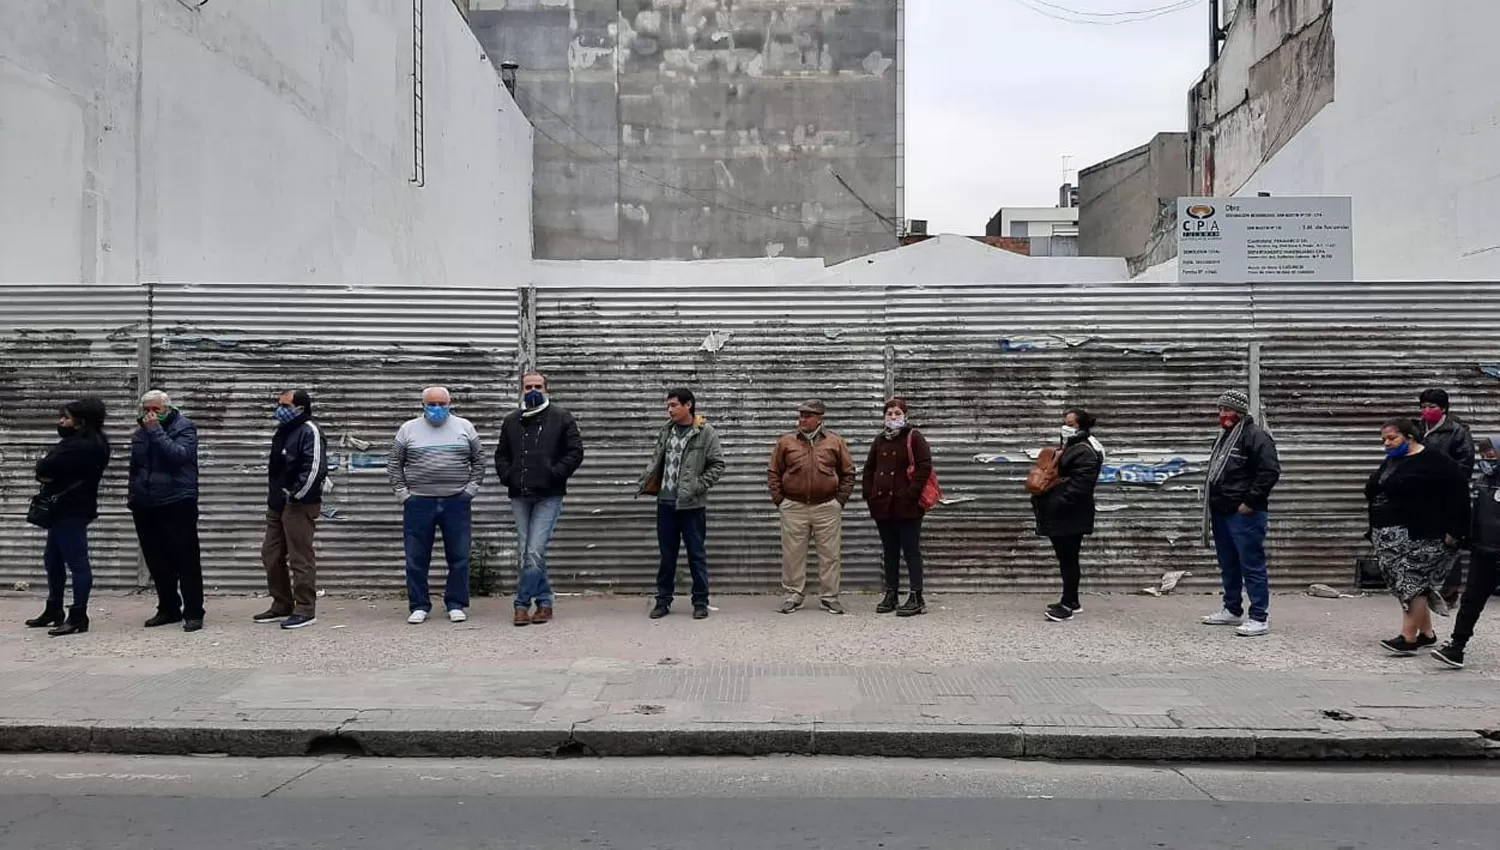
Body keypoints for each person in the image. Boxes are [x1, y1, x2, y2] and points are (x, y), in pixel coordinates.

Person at [1366, 418, 1471, 656]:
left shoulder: (1435, 462)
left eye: (1392, 438)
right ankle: (1426, 634)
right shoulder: (1393, 461)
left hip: (1424, 534)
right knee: (1407, 584)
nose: (1387, 443)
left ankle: (1408, 638)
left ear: (1409, 437)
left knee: (1410, 581)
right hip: (1390, 537)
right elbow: (1376, 487)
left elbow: (1459, 496)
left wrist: (1455, 532)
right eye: (1384, 439)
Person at [388, 386, 485, 624]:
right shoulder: (408, 429)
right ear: (423, 405)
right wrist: (403, 494)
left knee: (459, 556)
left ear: (450, 404)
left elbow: (479, 460)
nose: (437, 409)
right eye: (432, 404)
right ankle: (419, 605)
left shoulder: (465, 426)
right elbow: (394, 462)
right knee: (416, 557)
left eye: (442, 404)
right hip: (419, 502)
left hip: (456, 502)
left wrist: (469, 491)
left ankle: (456, 603)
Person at [495, 371, 584, 627]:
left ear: (547, 389)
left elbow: (575, 452)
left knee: (533, 551)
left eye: (537, 386)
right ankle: (544, 602)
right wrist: (508, 476)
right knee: (529, 551)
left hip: (549, 495)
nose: (533, 390)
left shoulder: (561, 417)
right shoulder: (512, 420)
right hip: (520, 495)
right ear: (521, 390)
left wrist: (555, 474)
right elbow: (501, 454)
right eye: (528, 386)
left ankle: (521, 605)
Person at [637, 388, 725, 620]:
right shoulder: (666, 430)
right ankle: (663, 601)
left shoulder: (705, 432)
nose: (670, 409)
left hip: (691, 505)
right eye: (668, 405)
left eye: (674, 405)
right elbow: (659, 459)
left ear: (689, 405)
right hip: (665, 503)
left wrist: (697, 486)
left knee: (696, 554)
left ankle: (700, 601)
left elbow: (717, 465)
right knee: (667, 556)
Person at [25, 398, 111, 637]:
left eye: (66, 418)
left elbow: (44, 468)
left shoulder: (79, 446)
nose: (61, 422)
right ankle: (54, 609)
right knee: (52, 559)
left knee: (77, 562)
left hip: (70, 510)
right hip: (66, 508)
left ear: (81, 421)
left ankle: (78, 615)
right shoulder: (96, 443)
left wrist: (44, 469)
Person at [1201, 389, 1281, 637]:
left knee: (1252, 565)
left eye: (1227, 410)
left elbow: (1269, 472)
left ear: (1240, 411)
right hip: (1222, 510)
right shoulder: (1224, 437)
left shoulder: (1256, 437)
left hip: (1244, 513)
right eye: (1220, 409)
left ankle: (1259, 616)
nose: (1223, 414)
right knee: (1228, 563)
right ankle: (1232, 609)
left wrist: (1250, 502)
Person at [768, 399, 856, 615]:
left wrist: (839, 501)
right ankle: (794, 594)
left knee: (830, 554)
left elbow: (848, 472)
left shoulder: (834, 442)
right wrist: (781, 501)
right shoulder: (786, 442)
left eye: (807, 415)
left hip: (827, 507)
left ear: (820, 418)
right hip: (794, 507)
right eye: (801, 415)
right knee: (793, 553)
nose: (802, 419)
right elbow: (773, 471)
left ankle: (829, 597)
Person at [129, 390, 205, 632]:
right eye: (147, 410)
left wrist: (156, 432)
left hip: (177, 500)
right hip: (146, 503)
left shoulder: (184, 428)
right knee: (157, 559)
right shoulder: (141, 431)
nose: (151, 415)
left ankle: (193, 611)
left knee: (186, 558)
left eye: (156, 410)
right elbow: (136, 467)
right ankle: (168, 607)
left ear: (167, 409)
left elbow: (179, 456)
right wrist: (134, 497)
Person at [253, 390, 328, 630]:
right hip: (276, 504)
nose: (279, 409)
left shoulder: (310, 430)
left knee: (300, 557)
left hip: (300, 504)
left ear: (300, 408)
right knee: (271, 554)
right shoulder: (284, 430)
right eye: (278, 404)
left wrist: (296, 494)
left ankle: (305, 608)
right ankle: (282, 603)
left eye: (285, 405)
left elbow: (315, 468)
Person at [1432, 435, 1500, 669]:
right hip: (1483, 551)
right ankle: (1456, 648)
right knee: (1471, 601)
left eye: (1492, 454)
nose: (1487, 458)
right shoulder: (1482, 480)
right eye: (1484, 455)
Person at [1031, 408, 1105, 623]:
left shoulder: (1086, 450)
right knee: (1066, 559)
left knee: (1069, 558)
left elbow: (1081, 486)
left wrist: (1055, 503)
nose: (1065, 427)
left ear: (1081, 426)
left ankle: (1067, 606)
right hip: (1066, 512)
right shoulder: (1074, 446)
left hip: (1071, 513)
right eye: (1065, 423)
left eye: (1071, 424)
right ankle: (1072, 601)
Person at [862, 397, 932, 617]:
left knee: (911, 550)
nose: (893, 417)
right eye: (889, 413)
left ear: (905, 416)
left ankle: (916, 596)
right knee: (890, 551)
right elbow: (869, 468)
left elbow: (924, 466)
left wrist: (912, 493)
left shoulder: (914, 437)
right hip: (883, 506)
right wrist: (870, 495)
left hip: (907, 506)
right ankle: (891, 593)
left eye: (897, 413)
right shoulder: (880, 440)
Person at [1418, 389, 1477, 607]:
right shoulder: (1416, 427)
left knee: (1449, 542)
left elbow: (1465, 465)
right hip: (1420, 495)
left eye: (1432, 407)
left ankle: (1450, 592)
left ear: (1443, 408)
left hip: (1446, 495)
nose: (1426, 411)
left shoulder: (1457, 431)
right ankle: (1423, 587)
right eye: (1423, 406)